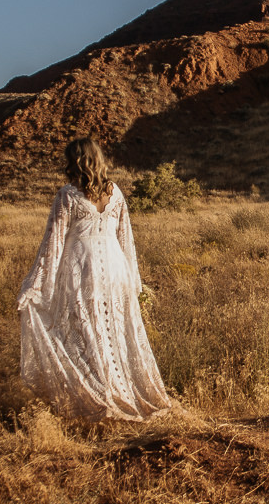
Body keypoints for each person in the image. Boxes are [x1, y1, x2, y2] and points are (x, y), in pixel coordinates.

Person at [17, 137, 173, 420]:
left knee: (85, 333)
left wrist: (36, 284)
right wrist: (132, 279)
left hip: (82, 268)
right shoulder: (116, 193)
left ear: (74, 161)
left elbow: (52, 242)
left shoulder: (68, 195)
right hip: (115, 269)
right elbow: (126, 241)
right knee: (110, 330)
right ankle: (114, 391)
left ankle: (100, 397)